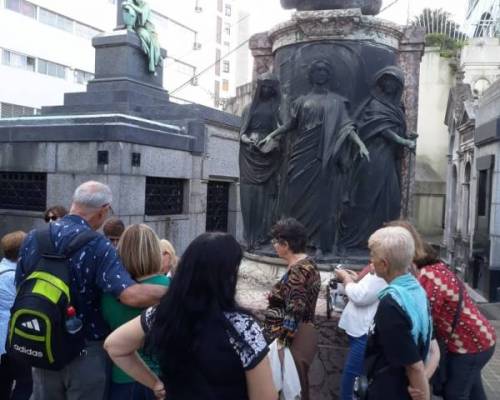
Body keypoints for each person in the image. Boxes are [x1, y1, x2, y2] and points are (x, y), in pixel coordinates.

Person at [16, 181, 167, 400]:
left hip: (42, 343)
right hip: (85, 350)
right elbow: (129, 295)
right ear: (103, 210)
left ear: (73, 203)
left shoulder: (34, 238)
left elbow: (21, 285)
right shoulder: (98, 245)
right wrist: (176, 291)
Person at [104, 232, 277, 400]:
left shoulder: (162, 314)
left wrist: (155, 383)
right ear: (228, 276)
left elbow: (115, 346)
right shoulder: (242, 328)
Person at [258, 59, 369, 254]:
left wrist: (360, 144)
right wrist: (271, 135)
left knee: (321, 201)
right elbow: (290, 125)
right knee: (295, 196)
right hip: (302, 153)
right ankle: (296, 241)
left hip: (324, 156)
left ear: (328, 75)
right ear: (311, 75)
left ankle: (319, 242)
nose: (320, 73)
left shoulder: (337, 101)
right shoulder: (301, 101)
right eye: (316, 70)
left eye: (324, 70)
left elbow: (346, 126)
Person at [388, 220, 496, 400]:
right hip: (478, 339)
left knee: (455, 394)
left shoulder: (428, 276)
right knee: (474, 392)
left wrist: (420, 377)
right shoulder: (429, 269)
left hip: (470, 345)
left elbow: (423, 324)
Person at [340, 66, 416, 250]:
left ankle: (381, 241)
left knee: (391, 198)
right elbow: (379, 127)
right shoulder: (374, 104)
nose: (389, 84)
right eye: (386, 80)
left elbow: (396, 129)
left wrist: (407, 137)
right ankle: (355, 239)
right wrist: (402, 140)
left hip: (388, 158)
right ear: (381, 82)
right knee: (367, 196)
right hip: (372, 157)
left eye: (393, 81)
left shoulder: (397, 107)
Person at [102, 224, 170, 400]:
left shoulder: (108, 293)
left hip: (121, 377)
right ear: (155, 251)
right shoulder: (169, 286)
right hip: (158, 379)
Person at [364, 226, 432, 400]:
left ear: (384, 264)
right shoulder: (416, 291)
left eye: (373, 255)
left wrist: (423, 393)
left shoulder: (391, 304)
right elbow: (432, 347)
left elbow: (413, 365)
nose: (370, 259)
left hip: (390, 390)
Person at [263, 218, 321, 400]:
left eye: (275, 242)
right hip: (302, 333)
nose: (274, 246)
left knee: (291, 389)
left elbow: (296, 308)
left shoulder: (298, 270)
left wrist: (282, 342)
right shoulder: (307, 264)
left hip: (294, 338)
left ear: (286, 244)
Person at [239, 72, 282, 250]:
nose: (266, 90)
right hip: (250, 156)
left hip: (268, 155)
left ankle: (262, 236)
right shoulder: (249, 108)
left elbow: (281, 129)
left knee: (265, 200)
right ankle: (249, 236)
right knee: (249, 198)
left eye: (269, 87)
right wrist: (247, 139)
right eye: (263, 87)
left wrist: (272, 142)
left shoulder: (277, 109)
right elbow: (241, 133)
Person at [335, 265, 387, 400]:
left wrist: (346, 278)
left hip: (364, 331)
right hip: (359, 328)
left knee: (353, 374)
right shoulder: (378, 269)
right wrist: (354, 279)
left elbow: (360, 296)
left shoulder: (382, 273)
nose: (371, 260)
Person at [0, 231, 32, 400]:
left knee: (3, 384)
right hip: (14, 341)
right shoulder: (16, 277)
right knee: (25, 383)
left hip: (3, 345)